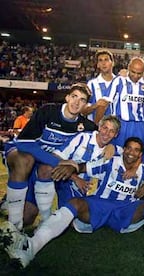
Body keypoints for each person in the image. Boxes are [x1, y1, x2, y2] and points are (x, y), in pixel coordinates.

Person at [0, 137, 144, 268]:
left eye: (136, 150)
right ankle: (31, 247)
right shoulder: (109, 162)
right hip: (100, 204)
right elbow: (83, 167)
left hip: (124, 210)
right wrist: (70, 169)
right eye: (128, 148)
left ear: (140, 155)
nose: (131, 152)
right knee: (75, 203)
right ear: (124, 149)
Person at [5, 83, 97, 230]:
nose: (76, 102)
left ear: (86, 104)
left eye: (82, 100)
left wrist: (111, 146)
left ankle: (40, 217)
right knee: (26, 160)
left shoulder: (86, 126)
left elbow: (104, 136)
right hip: (23, 154)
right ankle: (13, 227)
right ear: (67, 97)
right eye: (74, 97)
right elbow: (24, 143)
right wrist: (60, 162)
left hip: (44, 166)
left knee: (28, 218)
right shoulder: (48, 111)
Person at [53, 115, 122, 208]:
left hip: (93, 192)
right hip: (69, 184)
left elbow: (131, 158)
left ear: (116, 134)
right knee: (69, 210)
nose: (107, 133)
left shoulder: (116, 150)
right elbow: (56, 157)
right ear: (99, 127)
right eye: (105, 128)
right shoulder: (83, 138)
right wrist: (75, 178)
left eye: (112, 131)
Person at [111, 57, 144, 147]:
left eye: (139, 73)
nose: (136, 76)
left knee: (136, 153)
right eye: (133, 72)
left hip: (140, 125)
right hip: (121, 124)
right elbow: (107, 102)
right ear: (128, 68)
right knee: (118, 153)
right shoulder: (119, 80)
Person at [82, 50, 116, 124]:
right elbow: (83, 111)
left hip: (116, 130)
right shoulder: (91, 84)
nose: (103, 63)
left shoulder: (120, 82)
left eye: (106, 60)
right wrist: (95, 105)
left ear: (112, 63)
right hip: (95, 129)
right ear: (98, 65)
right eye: (100, 60)